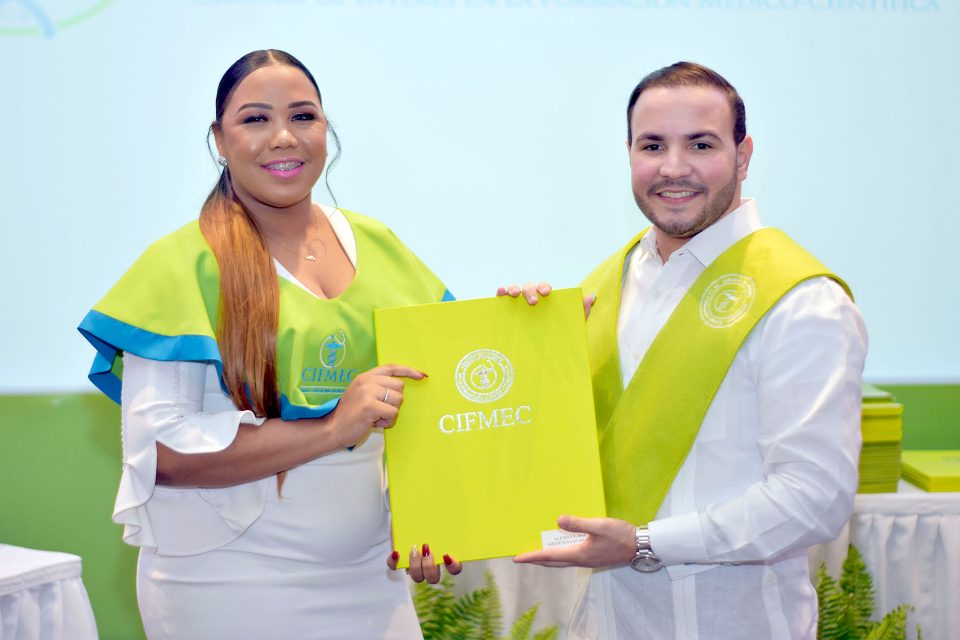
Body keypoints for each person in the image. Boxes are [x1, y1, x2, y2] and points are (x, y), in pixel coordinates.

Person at [77, 49, 536, 639]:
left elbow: (447, 395)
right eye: (255, 119)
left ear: (325, 128)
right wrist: (332, 428)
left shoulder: (380, 244)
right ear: (219, 140)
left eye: (302, 116)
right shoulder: (183, 265)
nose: (283, 137)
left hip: (371, 577)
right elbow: (160, 455)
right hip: (227, 581)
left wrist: (530, 328)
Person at [512, 62, 868, 639]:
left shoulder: (800, 302)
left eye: (701, 145)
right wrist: (519, 345)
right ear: (629, 153)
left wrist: (645, 543)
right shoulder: (604, 287)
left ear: (743, 156)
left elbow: (814, 497)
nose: (673, 168)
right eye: (653, 145)